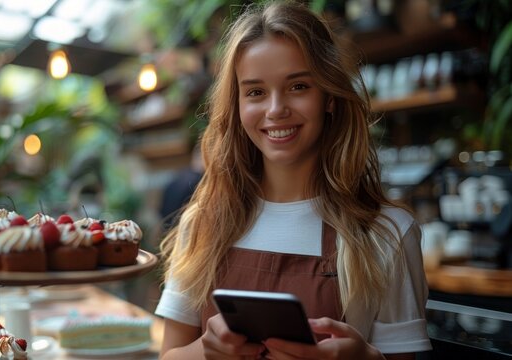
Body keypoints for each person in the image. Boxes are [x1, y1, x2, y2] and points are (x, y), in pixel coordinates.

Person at [154, 1, 432, 359]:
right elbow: (169, 355)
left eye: (298, 86)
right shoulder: (205, 224)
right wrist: (204, 352)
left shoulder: (387, 234)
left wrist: (366, 358)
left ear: (329, 97)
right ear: (237, 107)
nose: (275, 109)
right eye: (255, 92)